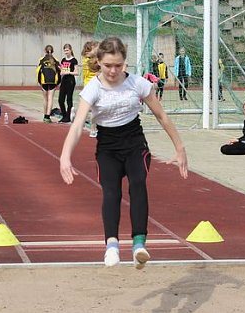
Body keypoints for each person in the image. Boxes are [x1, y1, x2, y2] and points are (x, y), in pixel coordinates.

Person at [59, 36, 188, 268]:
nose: (113, 70)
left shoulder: (137, 84)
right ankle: (112, 245)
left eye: (118, 65)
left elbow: (162, 116)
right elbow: (78, 125)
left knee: (138, 183)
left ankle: (139, 244)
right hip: (107, 146)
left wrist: (180, 148)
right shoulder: (92, 89)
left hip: (134, 142)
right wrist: (65, 156)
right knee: (112, 192)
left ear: (125, 63)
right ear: (99, 61)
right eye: (108, 65)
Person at [37, 44, 60, 122]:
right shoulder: (56, 60)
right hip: (53, 81)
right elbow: (59, 70)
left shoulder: (42, 59)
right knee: (50, 98)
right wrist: (58, 82)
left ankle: (44, 115)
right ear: (52, 51)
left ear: (45, 51)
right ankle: (47, 117)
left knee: (45, 99)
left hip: (44, 81)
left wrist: (39, 81)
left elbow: (38, 71)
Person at [57, 43, 78, 123]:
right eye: (65, 50)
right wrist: (61, 71)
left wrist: (69, 72)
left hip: (70, 81)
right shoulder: (63, 60)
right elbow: (62, 70)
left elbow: (76, 72)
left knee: (69, 99)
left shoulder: (74, 60)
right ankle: (64, 115)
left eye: (67, 50)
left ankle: (68, 117)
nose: (66, 52)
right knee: (60, 100)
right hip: (64, 81)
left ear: (71, 50)